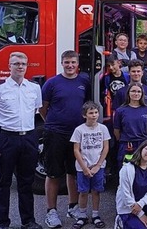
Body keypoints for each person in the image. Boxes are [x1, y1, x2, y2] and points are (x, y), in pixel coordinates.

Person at [0, 51, 43, 229]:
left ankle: (28, 221)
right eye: (16, 63)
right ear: (9, 66)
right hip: (6, 139)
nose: (20, 66)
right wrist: (1, 133)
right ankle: (2, 223)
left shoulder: (34, 88)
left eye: (23, 64)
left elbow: (37, 111)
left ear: (27, 66)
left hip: (28, 139)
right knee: (3, 182)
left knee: (26, 183)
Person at [40, 50, 91, 228]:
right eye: (67, 62)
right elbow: (43, 108)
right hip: (55, 133)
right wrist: (53, 124)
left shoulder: (84, 81)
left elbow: (87, 104)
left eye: (73, 62)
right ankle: (51, 211)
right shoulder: (52, 83)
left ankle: (73, 206)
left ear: (78, 64)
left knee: (74, 171)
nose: (70, 66)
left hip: (77, 134)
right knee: (53, 172)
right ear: (62, 63)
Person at [70, 101, 110, 228]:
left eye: (96, 112)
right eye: (91, 113)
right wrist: (84, 167)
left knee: (96, 191)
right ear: (84, 115)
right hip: (83, 167)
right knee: (83, 192)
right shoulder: (79, 130)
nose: (94, 115)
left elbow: (105, 148)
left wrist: (98, 165)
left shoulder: (103, 128)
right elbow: (76, 149)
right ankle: (82, 215)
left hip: (98, 166)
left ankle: (95, 215)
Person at [115, 139, 147, 229]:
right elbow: (125, 194)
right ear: (141, 149)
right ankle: (120, 221)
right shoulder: (127, 168)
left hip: (143, 203)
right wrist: (141, 214)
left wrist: (140, 204)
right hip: (128, 206)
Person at [113, 60, 147, 136]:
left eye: (138, 71)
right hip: (126, 136)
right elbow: (115, 113)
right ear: (129, 73)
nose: (136, 74)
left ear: (142, 73)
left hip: (144, 134)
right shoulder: (121, 92)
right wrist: (118, 134)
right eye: (133, 71)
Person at [113, 83, 147, 167]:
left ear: (142, 94)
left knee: (142, 168)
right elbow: (117, 130)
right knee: (125, 170)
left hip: (143, 144)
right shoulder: (120, 110)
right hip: (127, 145)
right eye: (133, 91)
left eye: (139, 92)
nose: (136, 94)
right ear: (128, 93)